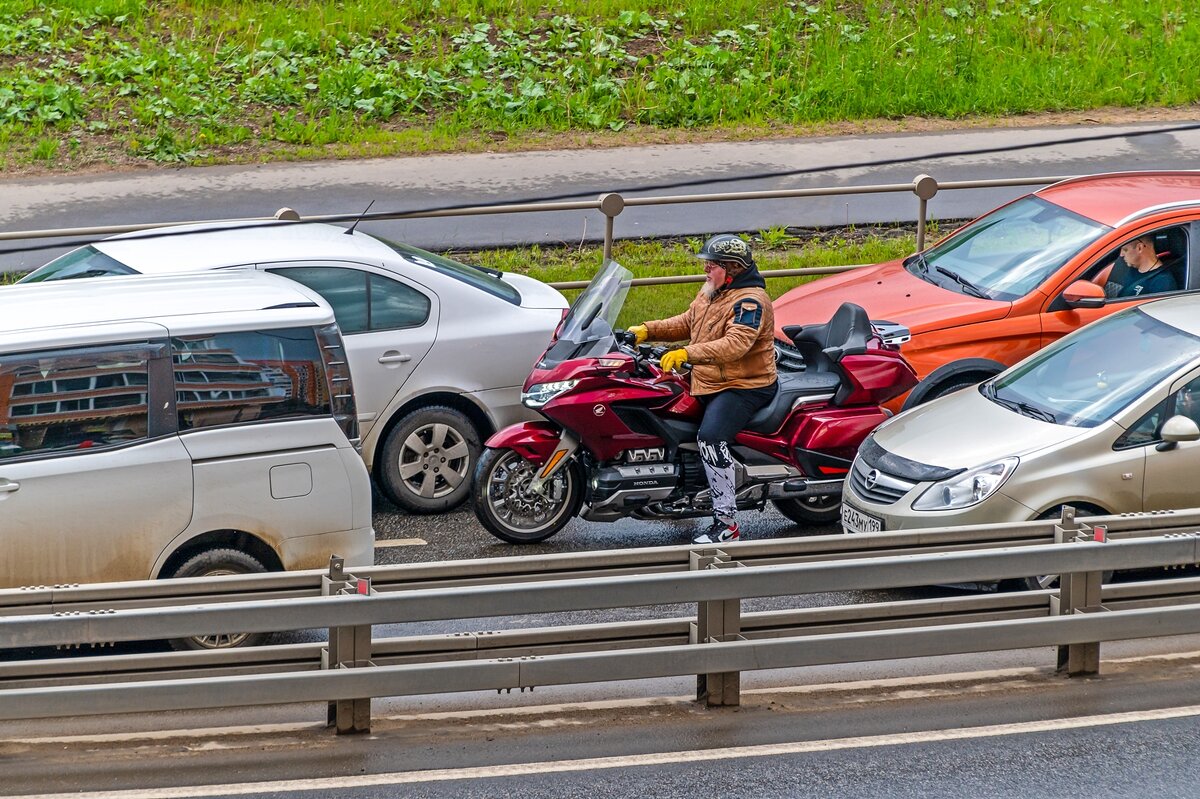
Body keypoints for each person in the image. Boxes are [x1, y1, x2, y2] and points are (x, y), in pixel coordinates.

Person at [628, 234, 778, 545]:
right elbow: (688, 321)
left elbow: (737, 344)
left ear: (731, 268)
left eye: (712, 264)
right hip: (711, 378)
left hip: (743, 384)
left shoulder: (749, 301)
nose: (705, 268)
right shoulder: (713, 291)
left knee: (710, 439)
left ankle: (727, 523)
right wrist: (646, 330)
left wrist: (687, 354)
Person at [1104, 234, 1179, 298]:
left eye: (1125, 250)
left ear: (1139, 248)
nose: (1121, 255)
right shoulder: (1132, 268)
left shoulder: (1163, 283)